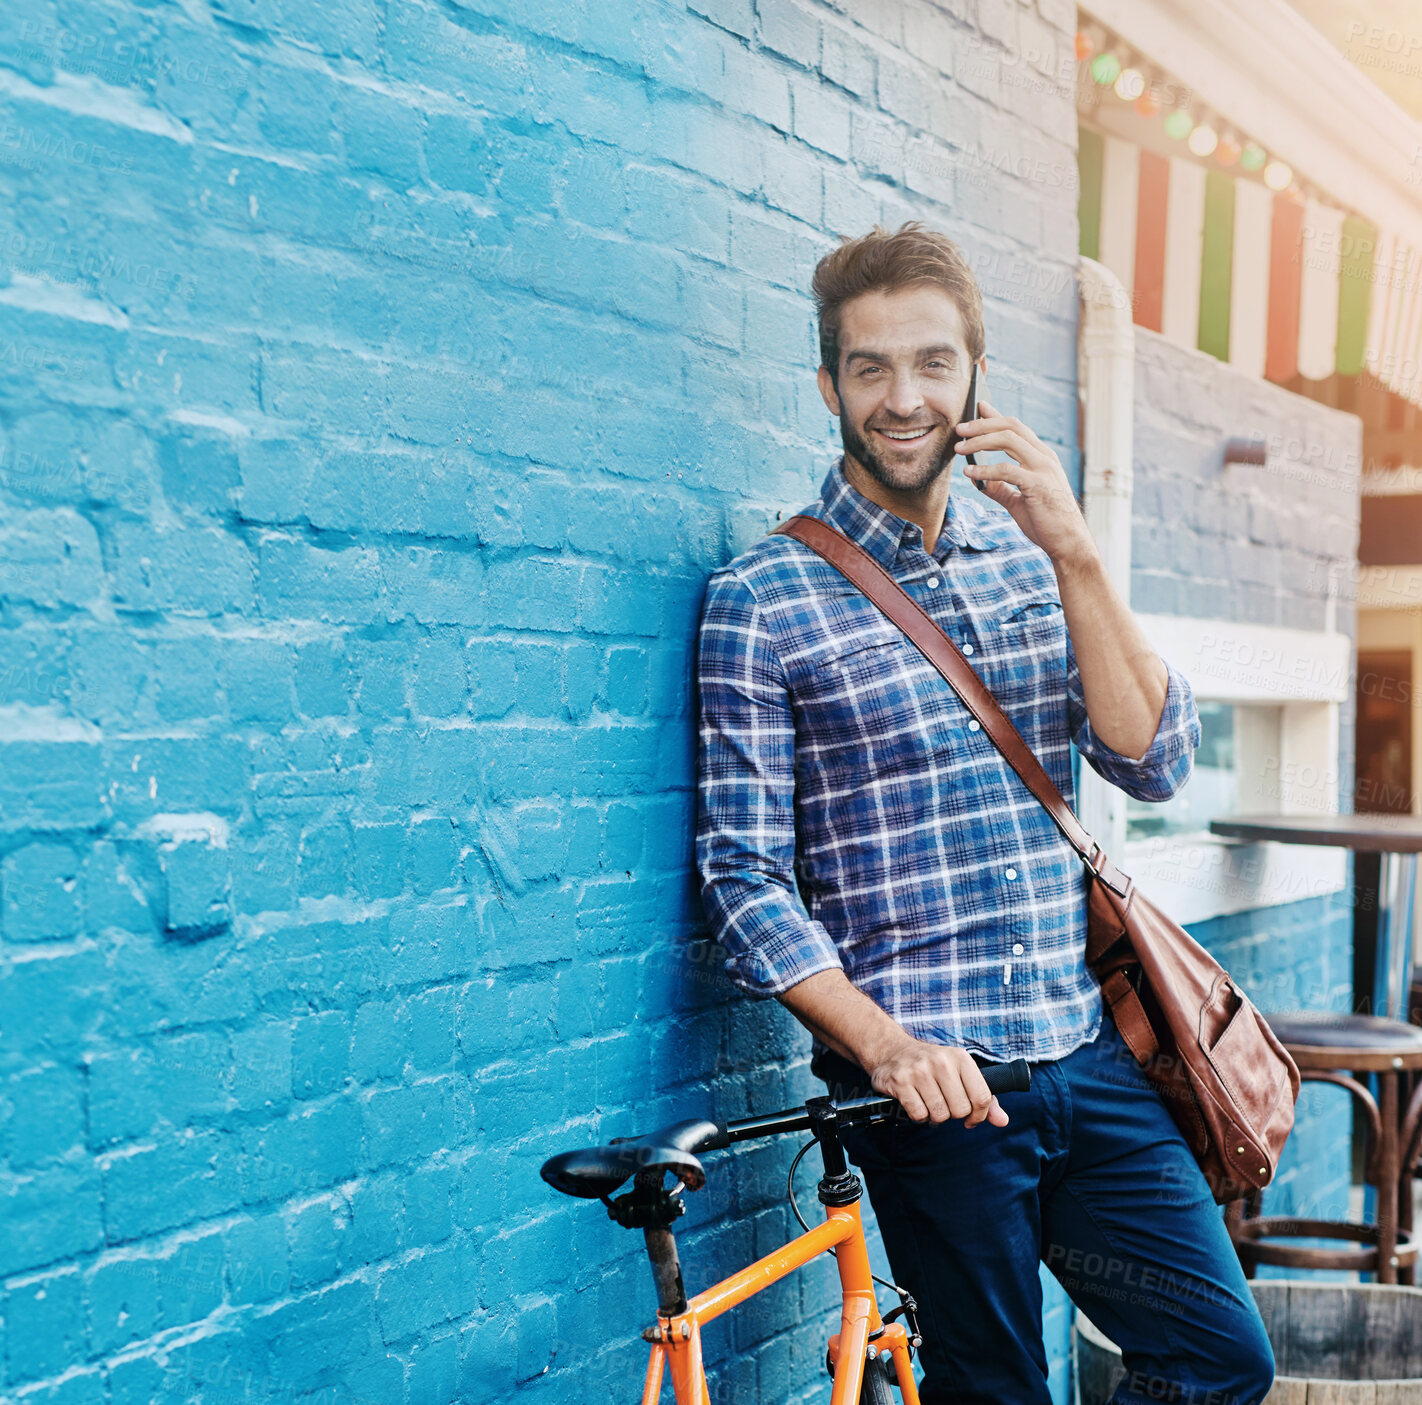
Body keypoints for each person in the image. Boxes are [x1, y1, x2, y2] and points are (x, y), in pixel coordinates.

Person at [694, 222, 1275, 1405]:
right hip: (934, 1095)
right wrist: (884, 1043)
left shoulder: (1033, 559)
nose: (902, 397)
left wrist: (1077, 552)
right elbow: (741, 882)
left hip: (1091, 1058)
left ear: (975, 380)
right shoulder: (762, 600)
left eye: (932, 364)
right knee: (996, 1391)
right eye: (869, 368)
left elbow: (1155, 758)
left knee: (1220, 1360)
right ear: (827, 387)